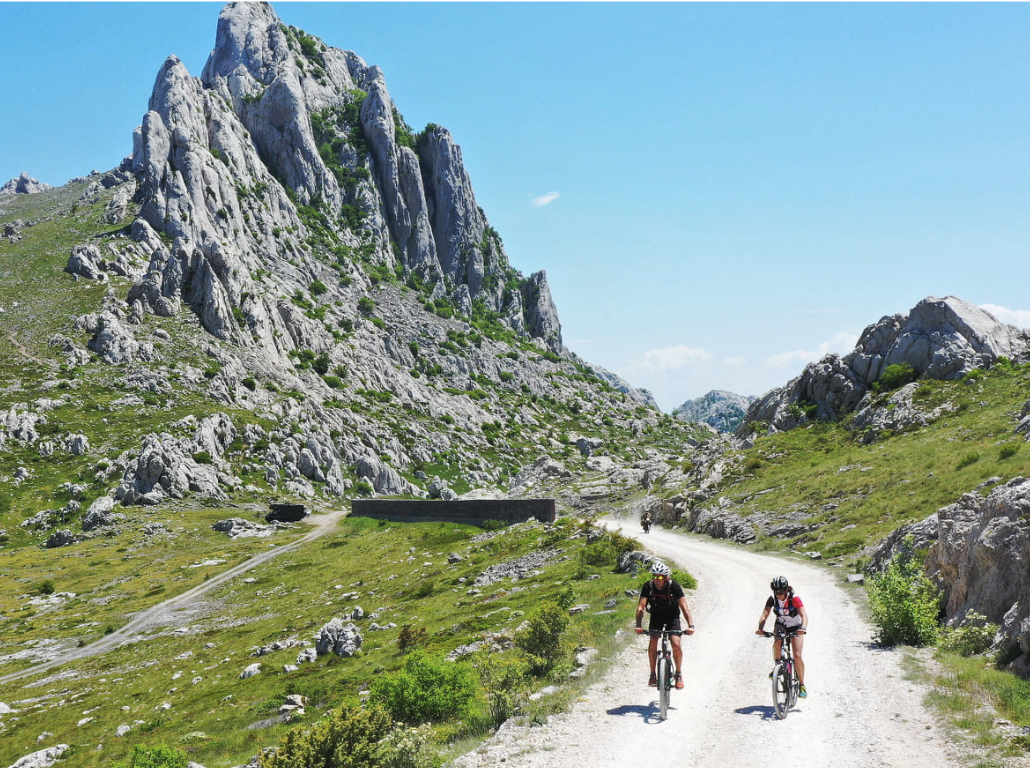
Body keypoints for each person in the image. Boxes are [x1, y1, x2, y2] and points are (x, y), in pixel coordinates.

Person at [635, 561, 695, 689]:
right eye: (655, 576)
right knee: (653, 641)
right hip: (656, 617)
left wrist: (691, 625)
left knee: (676, 644)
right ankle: (652, 674)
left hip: (672, 617)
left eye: (660, 577)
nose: (657, 579)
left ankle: (678, 673)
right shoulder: (648, 586)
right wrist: (638, 625)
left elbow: (684, 607)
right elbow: (641, 607)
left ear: (666, 578)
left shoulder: (674, 586)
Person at [755, 575, 809, 698]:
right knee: (777, 644)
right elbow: (765, 615)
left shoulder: (795, 598)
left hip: (796, 626)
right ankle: (777, 666)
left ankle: (801, 684)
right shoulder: (772, 599)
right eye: (776, 592)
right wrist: (760, 629)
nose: (779, 594)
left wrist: (803, 628)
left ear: (786, 589)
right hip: (781, 624)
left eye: (781, 591)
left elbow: (804, 615)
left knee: (797, 655)